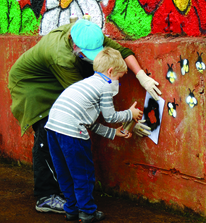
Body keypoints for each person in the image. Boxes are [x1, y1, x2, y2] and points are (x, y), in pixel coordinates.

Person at [7, 19, 161, 214]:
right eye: (89, 55)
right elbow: (89, 108)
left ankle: (71, 205)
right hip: (32, 86)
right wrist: (127, 118)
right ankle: (46, 196)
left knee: (62, 143)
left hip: (58, 82)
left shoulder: (89, 35)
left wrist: (141, 76)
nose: (92, 57)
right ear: (74, 45)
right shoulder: (61, 57)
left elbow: (121, 52)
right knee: (47, 132)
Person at [45, 47, 144, 222]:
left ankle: (72, 209)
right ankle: (87, 212)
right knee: (83, 173)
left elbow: (88, 121)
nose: (119, 83)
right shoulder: (105, 85)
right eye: (120, 78)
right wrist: (130, 114)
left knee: (65, 172)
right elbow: (110, 116)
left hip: (53, 127)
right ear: (111, 71)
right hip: (72, 131)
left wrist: (113, 133)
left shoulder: (87, 83)